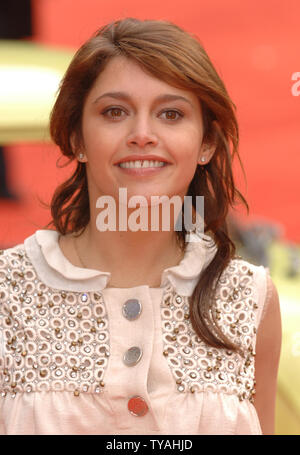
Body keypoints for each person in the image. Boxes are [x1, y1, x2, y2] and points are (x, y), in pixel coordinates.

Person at [0, 18, 281, 435]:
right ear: (77, 137)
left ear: (205, 143)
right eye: (115, 112)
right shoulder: (7, 294)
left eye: (171, 113)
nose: (143, 134)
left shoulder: (250, 299)